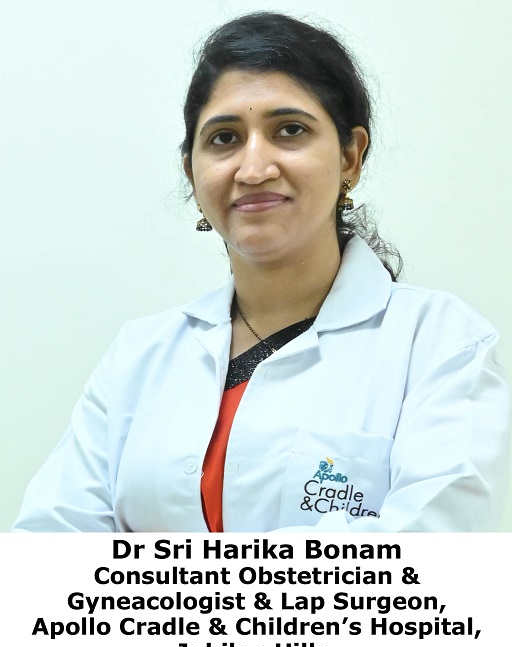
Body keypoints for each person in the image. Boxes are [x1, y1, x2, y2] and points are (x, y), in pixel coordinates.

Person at [13, 11, 510, 532]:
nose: (253, 169)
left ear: (350, 157)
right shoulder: (140, 356)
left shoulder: (441, 346)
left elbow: (427, 561)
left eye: (290, 130)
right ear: (192, 172)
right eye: (224, 138)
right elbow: (52, 551)